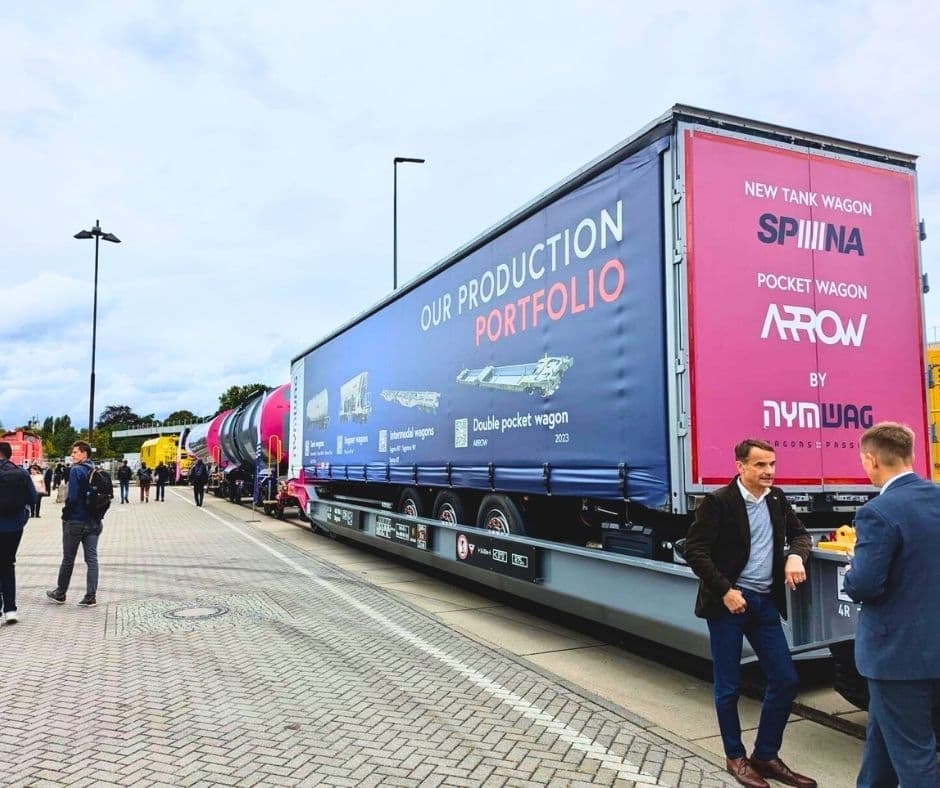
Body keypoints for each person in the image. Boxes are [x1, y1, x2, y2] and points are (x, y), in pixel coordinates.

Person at [684, 438, 816, 788]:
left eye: (772, 464)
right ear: (740, 466)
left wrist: (795, 556)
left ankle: (765, 756)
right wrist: (725, 591)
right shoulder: (718, 502)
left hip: (763, 604)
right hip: (727, 604)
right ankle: (736, 757)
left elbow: (801, 535)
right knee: (728, 687)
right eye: (760, 465)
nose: (769, 471)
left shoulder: (776, 498)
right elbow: (695, 551)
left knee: (785, 680)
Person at [843, 423, 940, 787]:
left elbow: (864, 585)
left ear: (871, 460)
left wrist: (853, 570)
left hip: (898, 658)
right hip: (931, 650)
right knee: (881, 743)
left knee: (915, 759)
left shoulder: (878, 511)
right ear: (909, 455)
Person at [46, 441, 102, 608]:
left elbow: (73, 497)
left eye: (76, 452)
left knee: (68, 558)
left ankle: (60, 593)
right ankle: (90, 596)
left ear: (84, 454)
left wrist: (66, 514)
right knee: (92, 559)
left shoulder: (76, 470)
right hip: (94, 521)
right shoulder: (95, 470)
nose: (72, 454)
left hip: (76, 520)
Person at [0, 441, 36, 624]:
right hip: (14, 527)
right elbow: (33, 497)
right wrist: (24, 517)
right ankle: (10, 609)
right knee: (8, 565)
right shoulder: (21, 473)